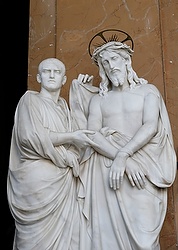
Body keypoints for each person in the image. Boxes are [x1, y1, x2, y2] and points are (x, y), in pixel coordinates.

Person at [70, 41, 177, 250]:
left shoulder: (148, 91)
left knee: (145, 242)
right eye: (105, 62)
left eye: (114, 59)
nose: (111, 66)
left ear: (127, 60)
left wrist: (124, 156)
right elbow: (92, 135)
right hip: (109, 173)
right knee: (108, 239)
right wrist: (121, 161)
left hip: (143, 171)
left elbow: (151, 126)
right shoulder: (98, 100)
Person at [7, 57, 97, 250]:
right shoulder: (30, 99)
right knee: (33, 242)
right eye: (47, 71)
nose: (51, 75)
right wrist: (70, 137)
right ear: (38, 77)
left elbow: (82, 138)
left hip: (64, 183)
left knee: (69, 238)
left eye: (57, 72)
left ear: (64, 79)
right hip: (37, 183)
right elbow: (30, 137)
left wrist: (84, 94)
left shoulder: (64, 107)